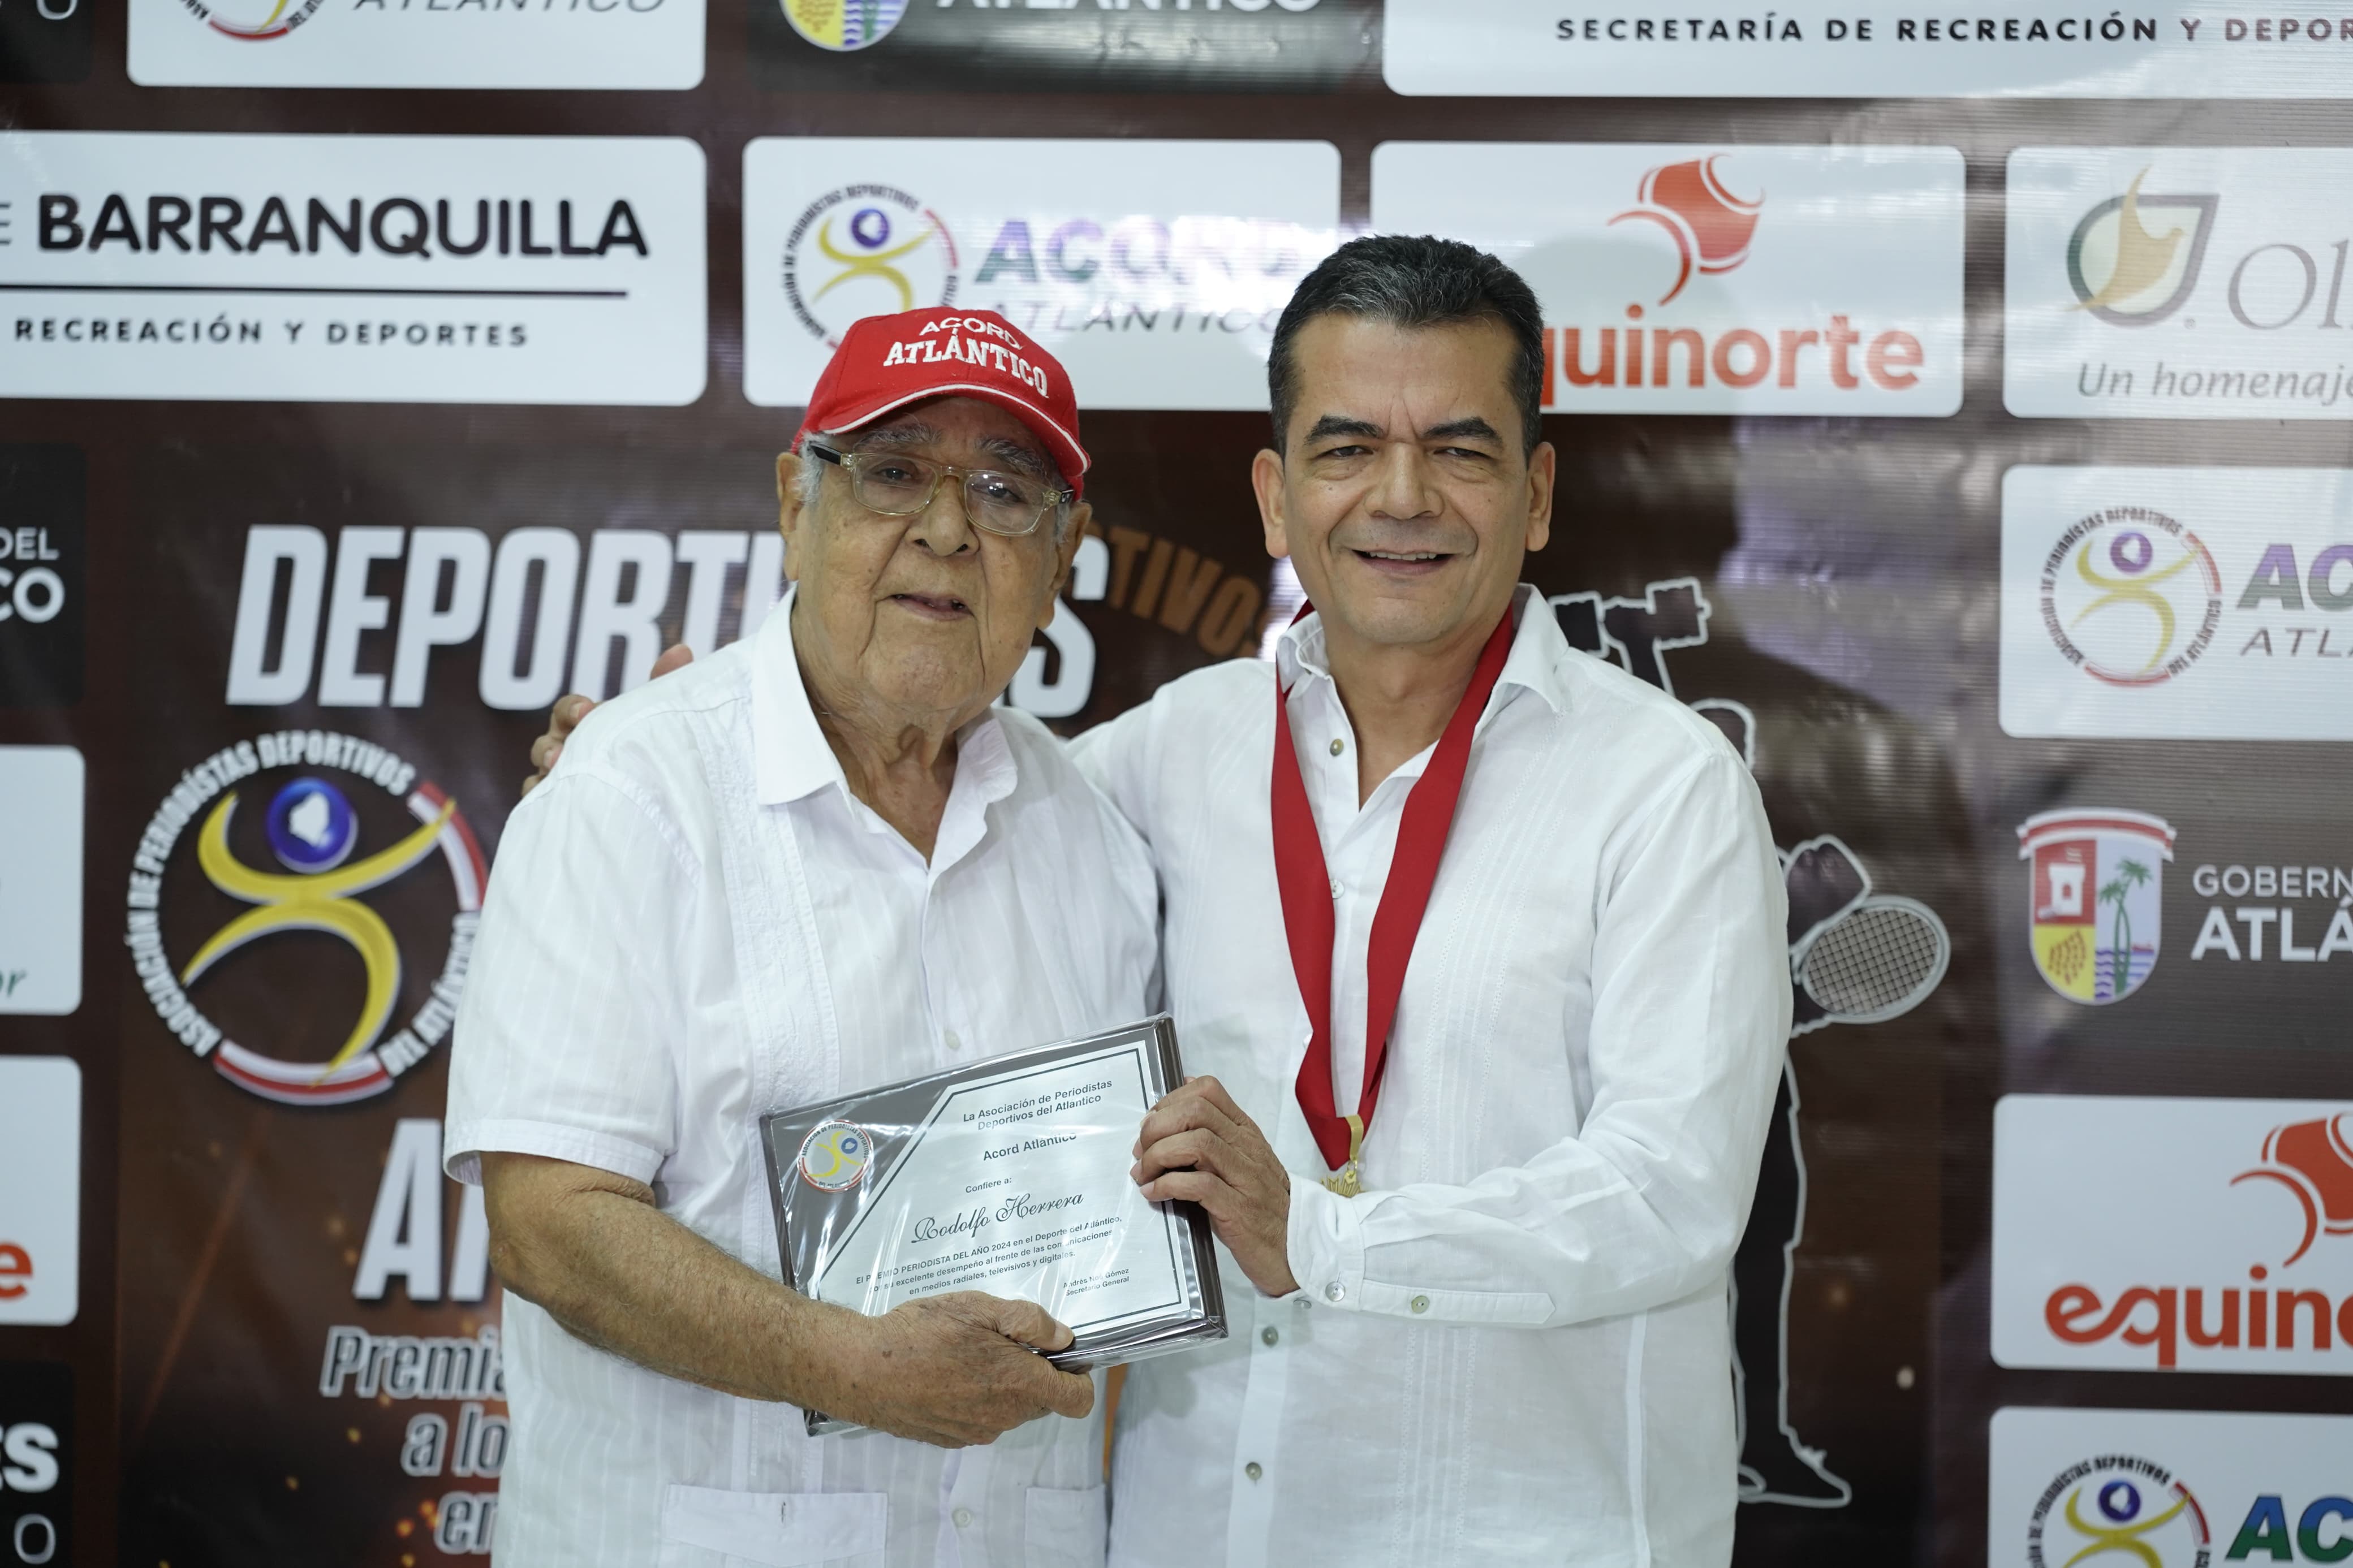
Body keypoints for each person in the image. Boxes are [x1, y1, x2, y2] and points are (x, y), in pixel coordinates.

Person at [527, 237, 1792, 1566]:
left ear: (1536, 492)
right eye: (1348, 447)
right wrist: (672, 758)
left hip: (1525, 1535)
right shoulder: (1151, 762)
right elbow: (921, 801)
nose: (1401, 497)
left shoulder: (1667, 792)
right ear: (1275, 493)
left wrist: (1319, 1234)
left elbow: (1672, 1193)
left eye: (1461, 451)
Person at [446, 306, 1159, 1568]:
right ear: (796, 501)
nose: (944, 529)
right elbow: (548, 1224)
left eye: (1004, 492)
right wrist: (853, 1365)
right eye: (892, 473)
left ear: (1063, 559)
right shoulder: (632, 788)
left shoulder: (1095, 838)